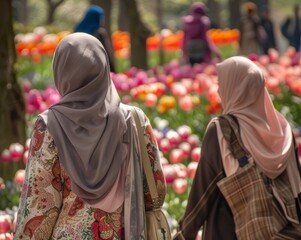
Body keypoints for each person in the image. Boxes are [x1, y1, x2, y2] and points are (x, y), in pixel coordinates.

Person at [14, 33, 167, 239]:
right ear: (103, 68)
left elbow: (39, 209)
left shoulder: (49, 126)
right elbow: (154, 192)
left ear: (61, 71)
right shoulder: (134, 120)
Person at [173, 56, 301, 240]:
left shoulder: (222, 130)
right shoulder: (283, 130)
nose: (218, 90)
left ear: (236, 88)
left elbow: (203, 193)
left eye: (222, 83)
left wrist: (183, 235)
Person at [75, 5, 116, 72]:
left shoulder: (77, 31)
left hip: (78, 69)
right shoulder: (99, 33)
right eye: (101, 17)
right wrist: (113, 71)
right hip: (96, 69)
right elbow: (106, 53)